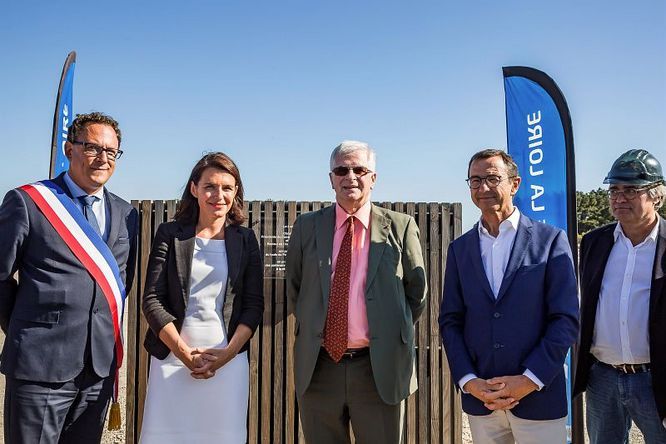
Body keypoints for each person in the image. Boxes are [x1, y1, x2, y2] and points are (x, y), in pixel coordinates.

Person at [0, 112, 138, 443]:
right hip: (40, 368)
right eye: (92, 147)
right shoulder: (29, 202)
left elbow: (121, 283)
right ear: (69, 149)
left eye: (111, 151)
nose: (102, 158)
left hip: (98, 373)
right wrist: (26, 328)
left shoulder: (126, 213)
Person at [285, 140, 427, 444]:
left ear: (373, 177)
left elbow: (417, 295)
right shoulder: (307, 227)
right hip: (320, 368)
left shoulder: (401, 227)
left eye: (359, 169)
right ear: (331, 179)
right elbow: (296, 289)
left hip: (378, 369)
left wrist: (384, 329)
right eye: (341, 169)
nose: (350, 176)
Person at [439, 149, 579, 444]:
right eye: (475, 181)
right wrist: (469, 381)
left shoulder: (551, 240)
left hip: (538, 398)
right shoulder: (459, 249)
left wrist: (529, 380)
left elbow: (565, 319)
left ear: (515, 184)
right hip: (482, 399)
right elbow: (451, 321)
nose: (483, 188)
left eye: (492, 178)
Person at [139, 152, 263, 443]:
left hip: (228, 363)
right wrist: (183, 353)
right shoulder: (170, 234)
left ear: (235, 193)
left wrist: (227, 355)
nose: (218, 195)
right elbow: (152, 299)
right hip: (172, 358)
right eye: (209, 186)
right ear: (194, 188)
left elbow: (253, 305)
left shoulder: (245, 240)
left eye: (227, 187)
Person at [573, 149, 666, 443]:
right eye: (614, 189)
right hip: (602, 378)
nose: (619, 198)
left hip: (657, 378)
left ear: (657, 196)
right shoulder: (594, 242)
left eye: (631, 190)